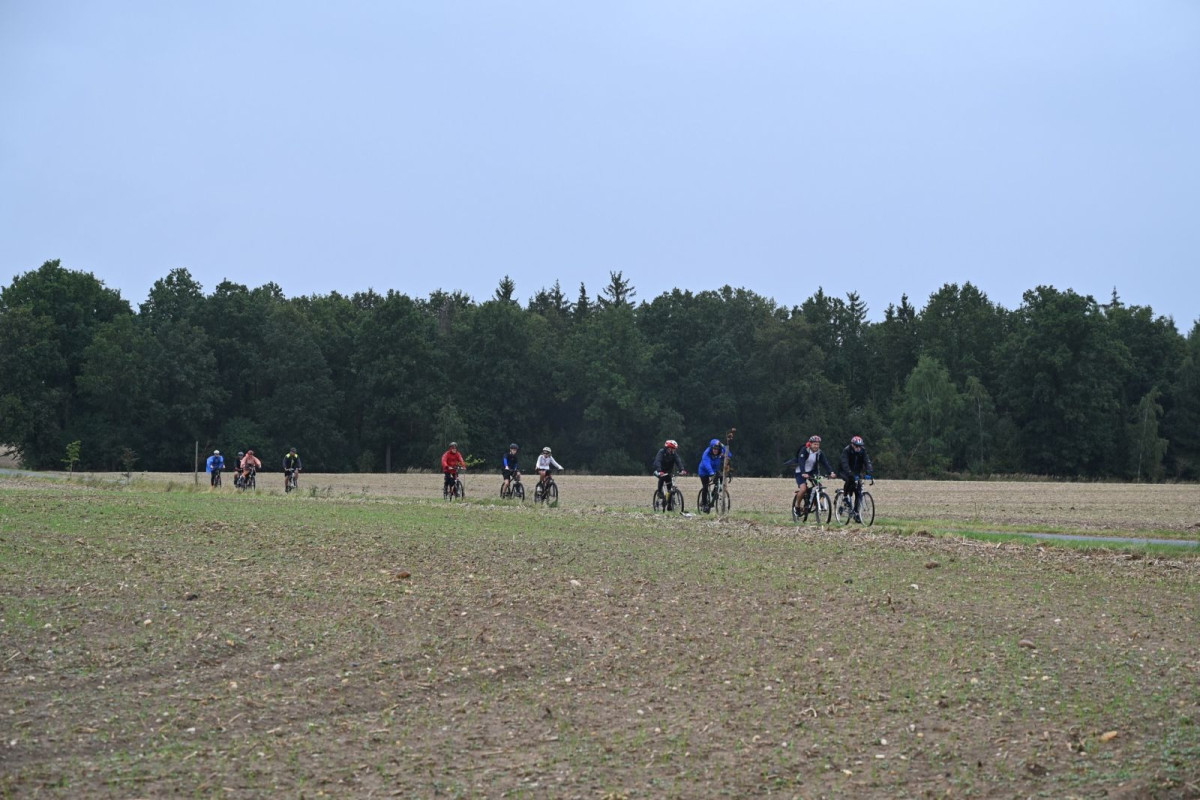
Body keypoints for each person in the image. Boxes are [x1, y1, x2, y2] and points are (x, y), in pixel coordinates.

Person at [786, 435, 835, 513]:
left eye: (818, 444)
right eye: (814, 444)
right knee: (803, 489)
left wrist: (831, 472)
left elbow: (825, 463)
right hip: (800, 471)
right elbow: (801, 462)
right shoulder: (804, 450)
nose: (816, 446)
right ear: (810, 444)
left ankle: (815, 503)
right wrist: (803, 473)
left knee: (818, 487)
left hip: (812, 471)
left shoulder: (819, 452)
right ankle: (797, 506)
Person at [839, 435, 874, 519]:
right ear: (852, 445)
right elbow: (844, 462)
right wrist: (849, 472)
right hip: (845, 470)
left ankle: (856, 513)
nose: (858, 448)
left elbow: (867, 461)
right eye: (857, 446)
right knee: (849, 481)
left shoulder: (863, 451)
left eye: (860, 446)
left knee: (858, 492)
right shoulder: (847, 450)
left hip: (857, 472)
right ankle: (845, 496)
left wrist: (869, 471)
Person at [697, 438, 731, 511]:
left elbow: (729, 455)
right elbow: (706, 463)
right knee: (705, 487)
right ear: (711, 448)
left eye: (717, 449)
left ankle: (714, 493)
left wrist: (723, 446)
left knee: (721, 481)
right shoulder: (707, 453)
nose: (715, 450)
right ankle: (704, 504)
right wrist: (711, 473)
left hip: (715, 470)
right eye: (714, 449)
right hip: (704, 471)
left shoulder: (720, 452)